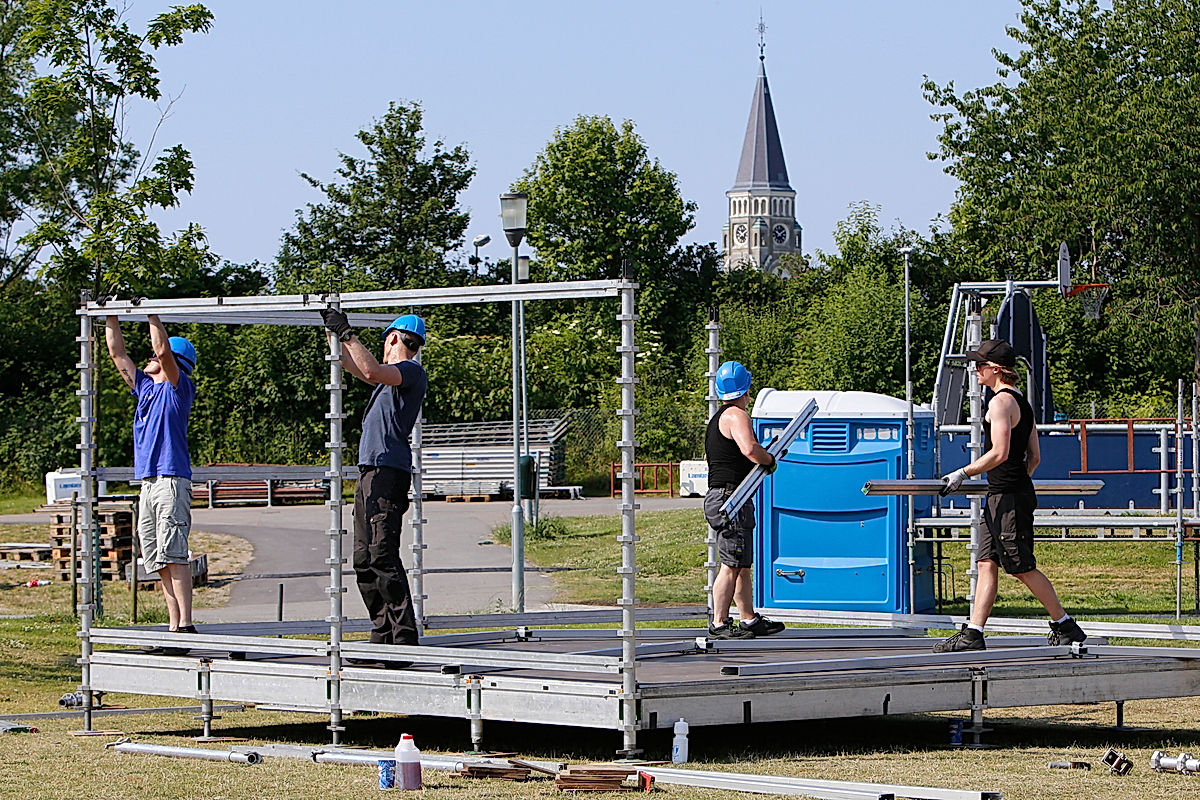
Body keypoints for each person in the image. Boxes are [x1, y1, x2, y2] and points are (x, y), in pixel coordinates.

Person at [934, 338, 1086, 652]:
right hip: (1003, 494)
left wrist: (963, 473)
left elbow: (1000, 452)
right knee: (986, 562)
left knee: (1020, 566)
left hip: (1008, 498)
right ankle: (973, 634)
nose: (976, 370)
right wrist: (1016, 481)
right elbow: (1035, 457)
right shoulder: (1022, 403)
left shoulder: (1000, 402)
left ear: (995, 369)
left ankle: (1065, 625)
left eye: (980, 365)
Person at [321, 308, 428, 666]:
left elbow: (368, 369)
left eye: (385, 341)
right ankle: (382, 635)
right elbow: (352, 365)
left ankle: (403, 638)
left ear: (394, 337)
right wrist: (333, 333)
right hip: (371, 471)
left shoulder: (410, 371)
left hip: (387, 472)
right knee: (364, 559)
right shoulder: (388, 381)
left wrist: (348, 333)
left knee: (382, 553)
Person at [105, 315, 198, 646]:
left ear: (174, 362)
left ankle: (186, 625)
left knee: (174, 554)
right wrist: (111, 315)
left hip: (171, 480)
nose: (148, 358)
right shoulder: (144, 389)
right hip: (147, 482)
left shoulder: (178, 388)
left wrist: (152, 313)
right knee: (157, 558)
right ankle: (173, 626)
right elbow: (117, 353)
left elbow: (161, 349)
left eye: (155, 357)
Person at [703, 360, 786, 639]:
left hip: (729, 496)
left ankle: (748, 619)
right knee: (731, 564)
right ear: (746, 390)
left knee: (741, 563)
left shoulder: (718, 418)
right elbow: (750, 449)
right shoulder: (736, 416)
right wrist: (769, 459)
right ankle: (719, 623)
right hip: (731, 498)